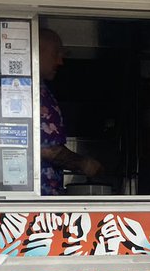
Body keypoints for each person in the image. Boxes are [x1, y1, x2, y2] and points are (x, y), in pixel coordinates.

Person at [39, 28, 102, 195]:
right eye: (56, 54)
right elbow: (47, 150)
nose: (60, 61)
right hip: (32, 204)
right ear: (37, 51)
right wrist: (84, 164)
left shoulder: (43, 90)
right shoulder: (24, 92)